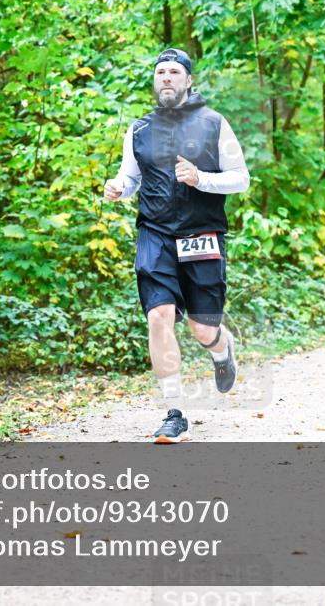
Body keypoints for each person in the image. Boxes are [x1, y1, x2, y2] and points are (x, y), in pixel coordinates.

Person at [103, 48, 250, 443]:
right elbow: (130, 177)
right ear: (155, 81)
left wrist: (201, 178)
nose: (166, 77)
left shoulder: (214, 124)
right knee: (158, 316)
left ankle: (221, 349)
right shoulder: (138, 129)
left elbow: (240, 179)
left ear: (188, 80)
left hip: (202, 233)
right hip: (155, 234)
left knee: (203, 328)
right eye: (160, 72)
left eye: (174, 72)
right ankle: (175, 412)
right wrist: (118, 188)